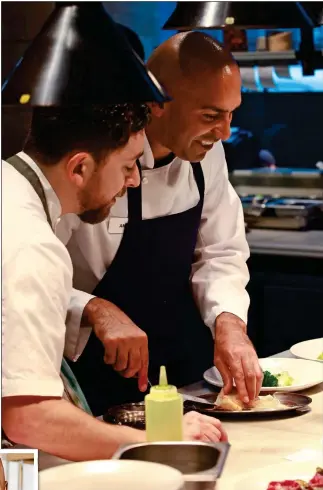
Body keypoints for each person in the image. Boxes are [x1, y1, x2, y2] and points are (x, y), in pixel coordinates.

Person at [2, 104, 227, 461]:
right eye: (127, 166)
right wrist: (158, 438)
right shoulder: (31, 245)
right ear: (79, 168)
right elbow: (28, 418)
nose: (135, 179)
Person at [59, 32, 263, 416]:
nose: (225, 133)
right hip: (93, 382)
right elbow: (25, 281)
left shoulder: (209, 154)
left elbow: (221, 250)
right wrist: (95, 308)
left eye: (231, 113)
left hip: (182, 379)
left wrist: (229, 321)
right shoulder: (93, 160)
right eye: (210, 115)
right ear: (157, 104)